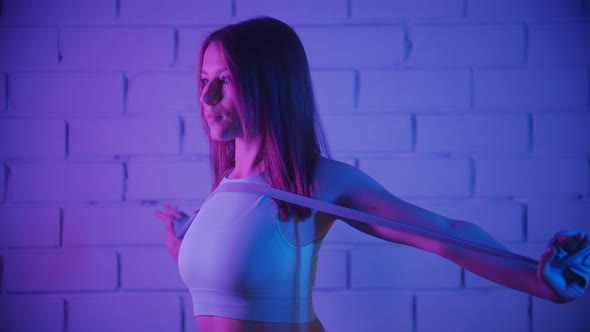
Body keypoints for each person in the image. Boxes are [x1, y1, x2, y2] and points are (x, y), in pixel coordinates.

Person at [154, 17, 590, 332]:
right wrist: (187, 242)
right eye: (204, 79)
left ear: (269, 85)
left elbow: (444, 233)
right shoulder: (224, 187)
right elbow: (231, 283)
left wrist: (538, 280)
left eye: (226, 79)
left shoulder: (316, 183)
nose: (207, 95)